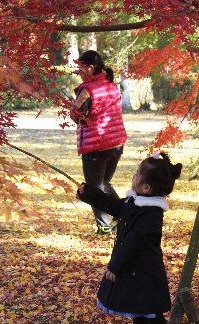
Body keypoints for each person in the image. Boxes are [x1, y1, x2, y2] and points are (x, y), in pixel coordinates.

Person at [77, 152, 182, 324]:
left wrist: (115, 266)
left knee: (153, 312)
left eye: (136, 174)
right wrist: (89, 193)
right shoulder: (136, 202)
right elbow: (114, 206)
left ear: (146, 188)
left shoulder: (151, 214)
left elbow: (134, 242)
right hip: (134, 270)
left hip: (146, 272)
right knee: (139, 309)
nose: (133, 176)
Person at [71, 50, 127, 235]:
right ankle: (125, 214)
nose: (78, 71)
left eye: (81, 68)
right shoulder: (112, 85)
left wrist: (74, 107)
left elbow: (76, 115)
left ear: (91, 68)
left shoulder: (87, 90)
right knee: (104, 183)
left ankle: (104, 226)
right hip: (116, 143)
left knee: (94, 187)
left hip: (96, 145)